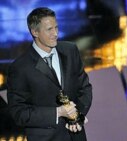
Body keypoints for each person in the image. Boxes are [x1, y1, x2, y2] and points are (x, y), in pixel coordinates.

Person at [7, 7, 92, 141]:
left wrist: (76, 117)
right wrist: (58, 113)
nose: (55, 33)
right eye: (49, 29)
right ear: (35, 32)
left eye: (56, 28)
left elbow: (84, 88)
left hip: (76, 135)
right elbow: (19, 113)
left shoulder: (70, 50)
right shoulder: (20, 67)